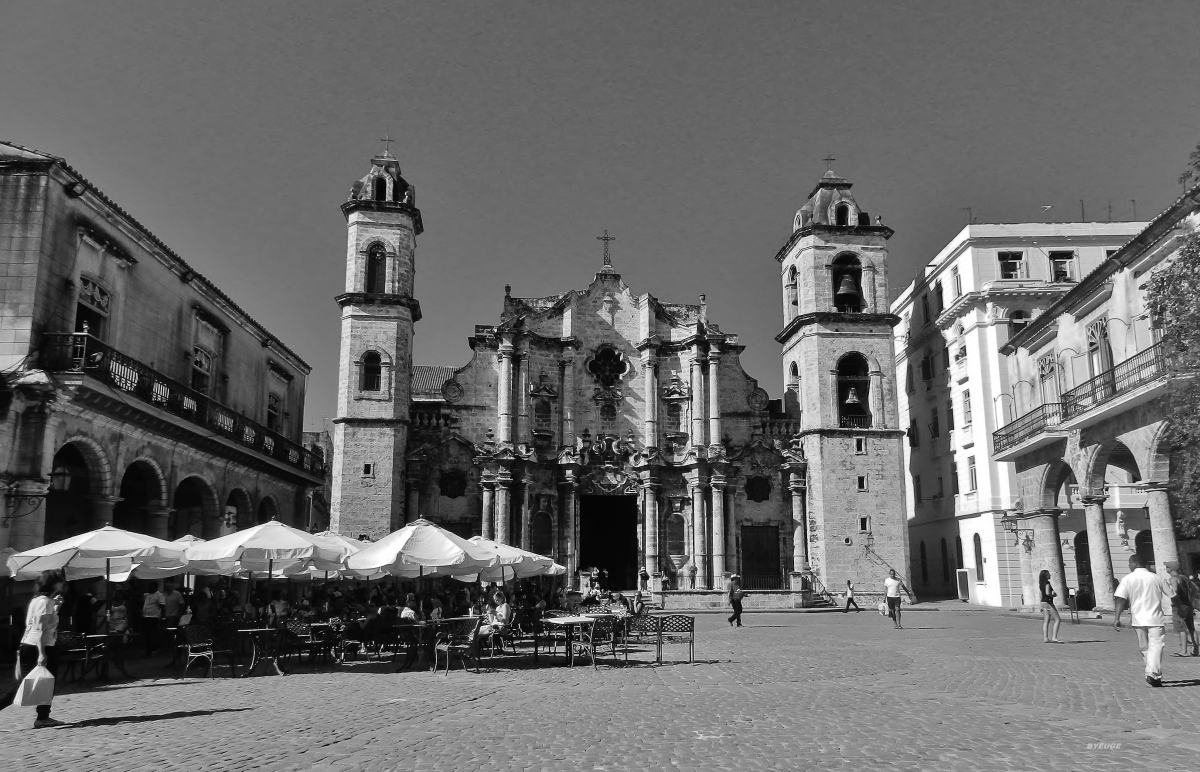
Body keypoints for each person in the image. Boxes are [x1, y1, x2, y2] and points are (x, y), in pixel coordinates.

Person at [0, 569, 67, 727]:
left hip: (29, 645)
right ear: (52, 583)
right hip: (40, 646)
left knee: (39, 682)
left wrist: (56, 607)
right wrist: (42, 653)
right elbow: (40, 629)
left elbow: (41, 624)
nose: (63, 583)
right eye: (59, 580)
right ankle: (42, 717)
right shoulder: (45, 602)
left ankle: (43, 716)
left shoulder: (39, 600)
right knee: (38, 683)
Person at [1113, 553, 1167, 687]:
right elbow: (1172, 594)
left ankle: (1151, 673)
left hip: (1138, 618)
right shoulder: (1157, 578)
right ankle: (1153, 673)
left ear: (1135, 564)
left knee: (1144, 647)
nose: (1128, 566)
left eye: (1129, 563)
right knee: (1156, 645)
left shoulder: (1127, 579)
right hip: (1155, 617)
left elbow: (1120, 598)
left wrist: (1117, 617)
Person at [1163, 561, 1198, 657]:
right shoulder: (1184, 578)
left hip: (1178, 606)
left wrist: (1171, 596)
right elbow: (1195, 589)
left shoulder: (1173, 579)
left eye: (1167, 567)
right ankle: (1196, 650)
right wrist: (1190, 598)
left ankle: (1184, 651)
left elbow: (1174, 592)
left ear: (1170, 569)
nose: (1166, 568)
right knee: (1191, 628)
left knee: (1181, 628)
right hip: (1188, 605)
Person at [1038, 570, 1064, 643]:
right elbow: (1047, 593)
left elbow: (1041, 593)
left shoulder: (1041, 583)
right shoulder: (1047, 583)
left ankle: (1045, 638)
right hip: (1048, 602)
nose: (1050, 575)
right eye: (1049, 574)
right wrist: (1053, 595)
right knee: (1057, 619)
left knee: (1046, 620)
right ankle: (1054, 637)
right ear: (1046, 575)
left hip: (1043, 601)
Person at [141, 582, 166, 656]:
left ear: (155, 587)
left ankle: (152, 649)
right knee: (146, 634)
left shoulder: (159, 595)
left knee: (151, 633)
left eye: (150, 587)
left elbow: (162, 606)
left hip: (154, 617)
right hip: (146, 616)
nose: (148, 588)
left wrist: (163, 617)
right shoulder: (147, 595)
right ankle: (148, 649)